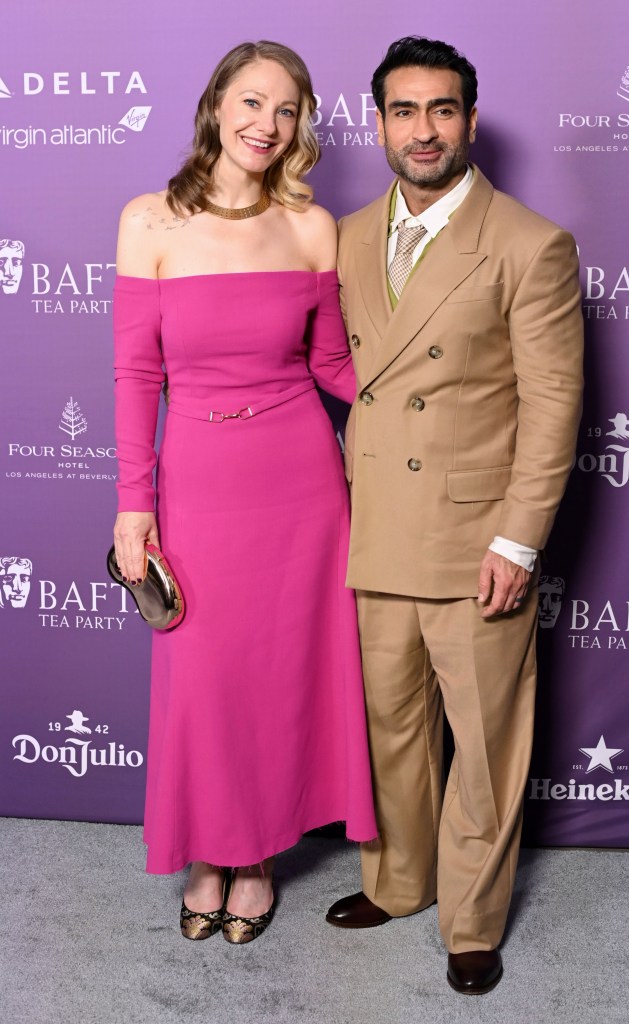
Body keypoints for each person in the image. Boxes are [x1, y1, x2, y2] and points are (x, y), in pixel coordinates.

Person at [325, 37, 584, 994]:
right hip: (374, 524)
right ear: (379, 125)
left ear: (470, 121)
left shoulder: (527, 242)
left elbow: (553, 404)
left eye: (441, 109)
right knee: (388, 726)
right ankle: (399, 882)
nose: (423, 130)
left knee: (482, 741)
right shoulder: (346, 235)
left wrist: (518, 538)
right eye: (404, 111)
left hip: (476, 539)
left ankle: (471, 920)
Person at [112, 40, 376, 945]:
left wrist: (428, 408)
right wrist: (134, 502)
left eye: (287, 109)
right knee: (207, 677)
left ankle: (256, 858)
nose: (267, 123)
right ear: (217, 105)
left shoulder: (311, 226)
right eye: (253, 102)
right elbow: (135, 374)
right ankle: (208, 851)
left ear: (300, 127)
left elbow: (332, 364)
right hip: (196, 479)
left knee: (278, 673)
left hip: (300, 484)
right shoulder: (149, 221)